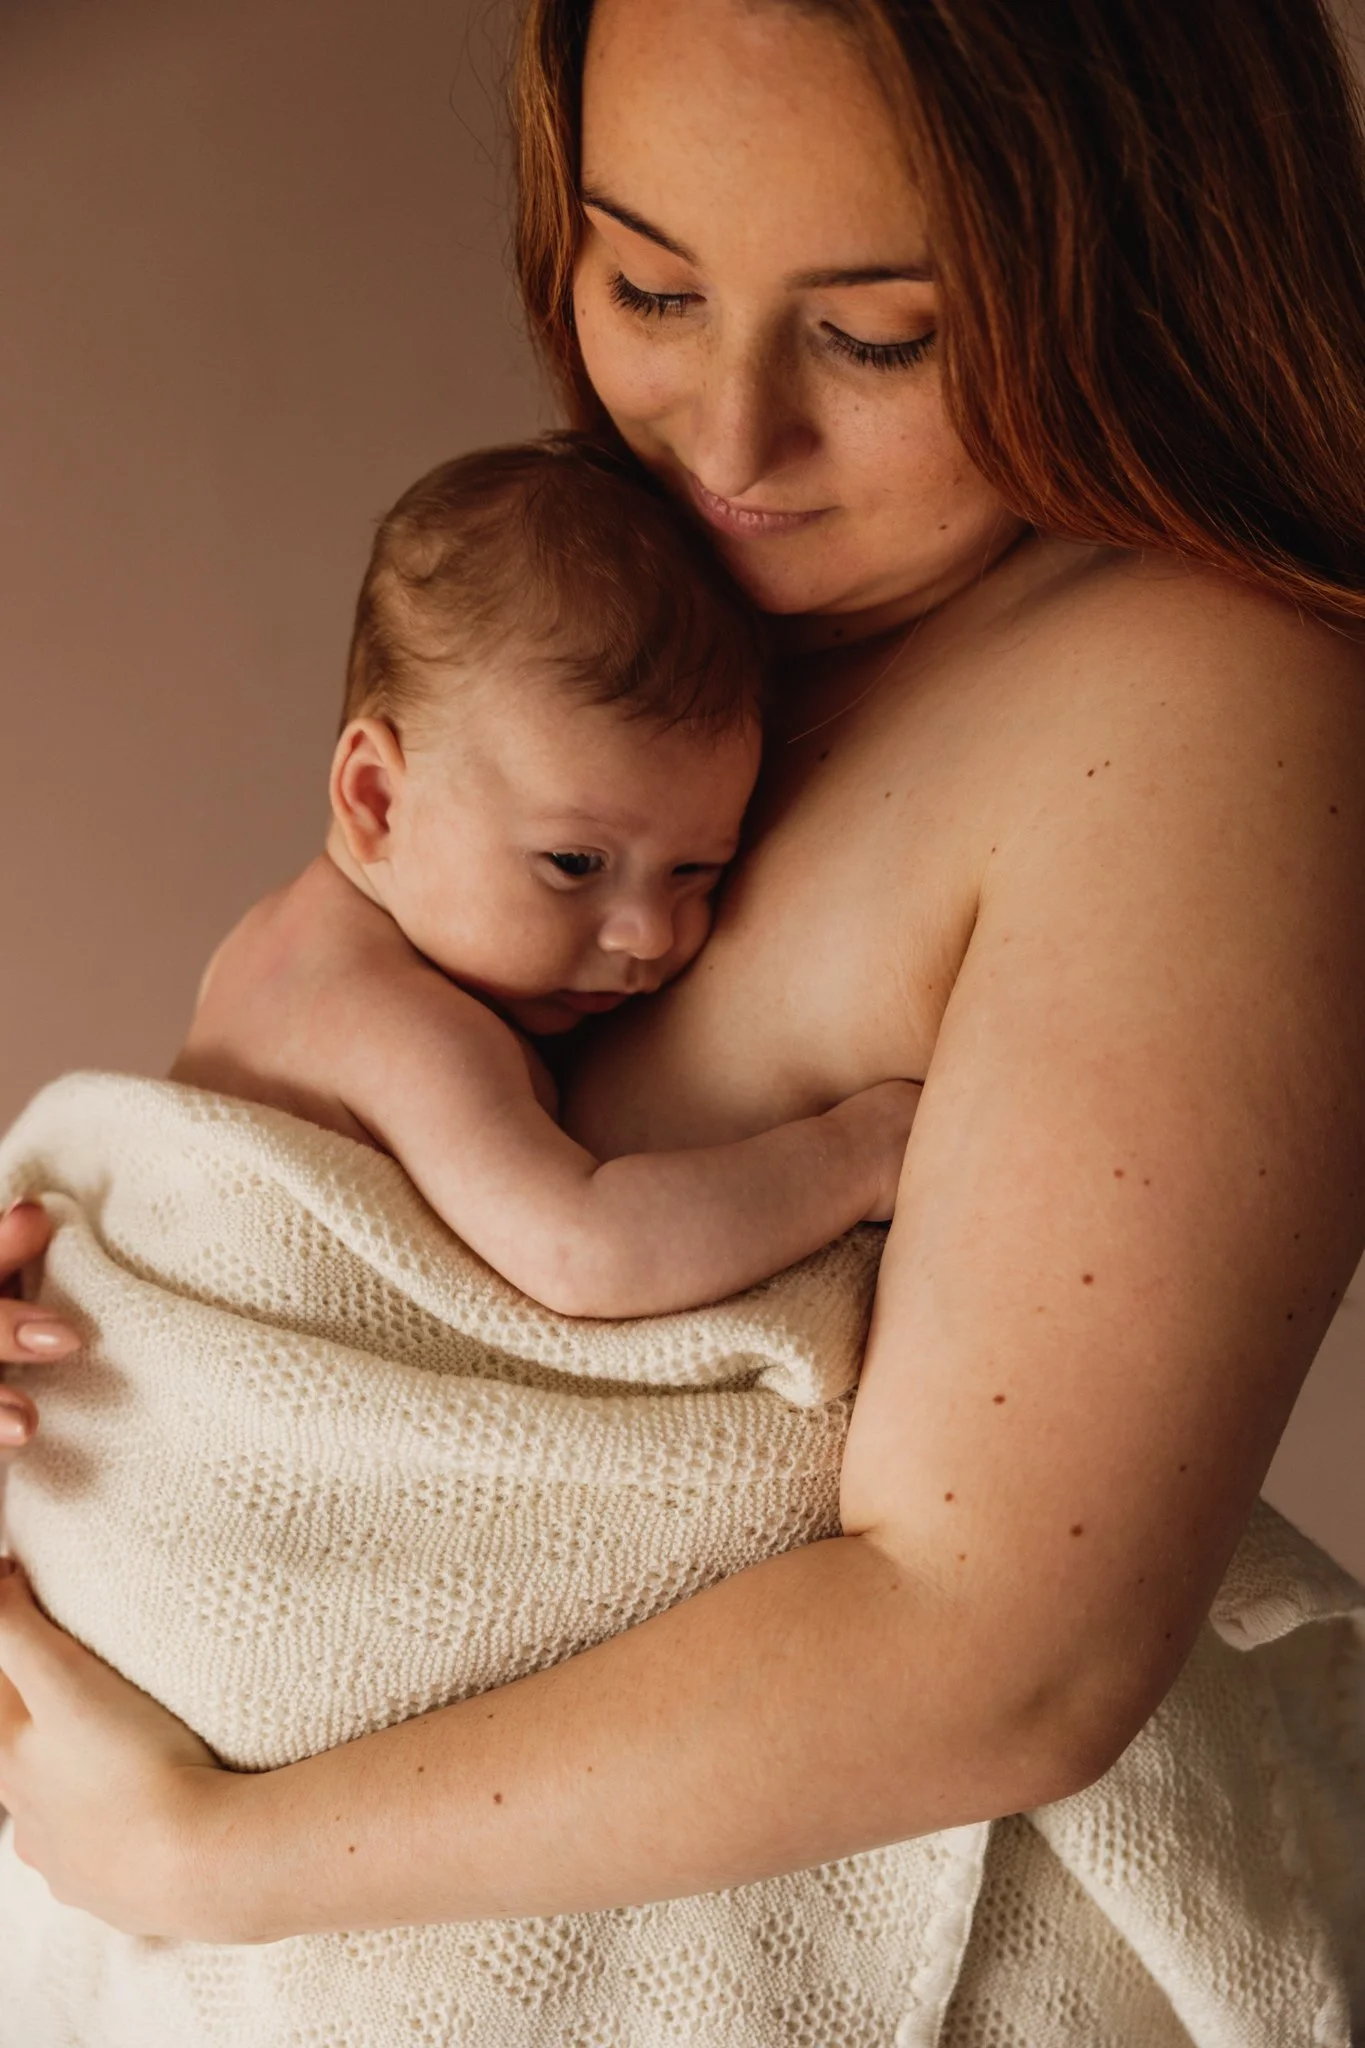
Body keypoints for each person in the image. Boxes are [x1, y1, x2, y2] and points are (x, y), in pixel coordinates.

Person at [0, 0, 1362, 2032]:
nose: (727, 442)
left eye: (878, 336)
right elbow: (340, 1183)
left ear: (1138, 252)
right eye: (647, 282)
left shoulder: (1202, 708)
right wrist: (128, 1337)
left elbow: (1005, 1650)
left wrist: (213, 1856)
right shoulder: (649, 622)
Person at [171, 436, 917, 1318]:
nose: (649, 930)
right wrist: (855, 1155)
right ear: (375, 799)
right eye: (574, 864)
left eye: (695, 870)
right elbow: (586, 1253)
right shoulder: (405, 1031)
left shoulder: (262, 945)